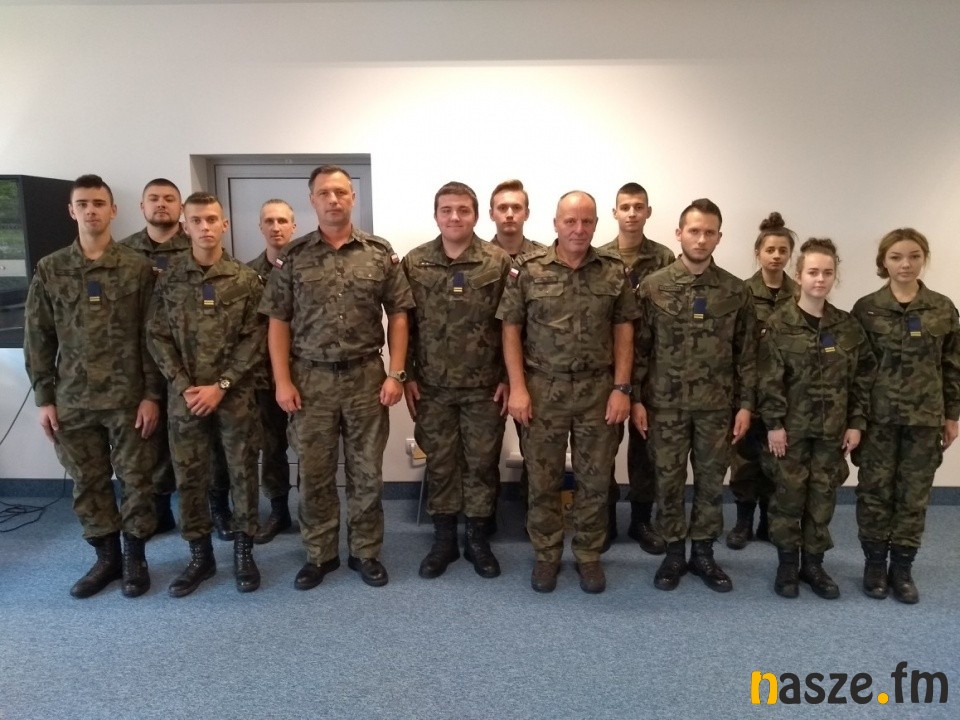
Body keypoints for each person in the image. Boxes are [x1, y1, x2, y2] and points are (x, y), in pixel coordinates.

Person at [259, 165, 413, 590]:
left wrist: (397, 373)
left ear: (352, 198)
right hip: (310, 381)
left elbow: (399, 315)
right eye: (325, 193)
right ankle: (319, 554)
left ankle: (365, 552)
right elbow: (277, 321)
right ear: (312, 200)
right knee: (314, 473)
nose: (333, 199)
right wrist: (282, 381)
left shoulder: (379, 252)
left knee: (367, 473)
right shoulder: (294, 256)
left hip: (366, 378)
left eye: (341, 192)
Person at [24, 174, 160, 598]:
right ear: (71, 211)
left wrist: (152, 395)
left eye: (99, 203)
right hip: (74, 399)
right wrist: (44, 398)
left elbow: (152, 336)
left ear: (113, 210)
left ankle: (135, 558)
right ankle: (106, 558)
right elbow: (38, 337)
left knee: (137, 480)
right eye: (82, 204)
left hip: (129, 397)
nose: (91, 211)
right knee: (88, 481)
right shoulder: (51, 269)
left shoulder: (137, 268)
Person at [498, 190, 637, 594]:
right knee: (543, 478)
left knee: (596, 479)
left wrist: (622, 388)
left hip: (598, 390)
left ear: (596, 224)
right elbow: (511, 329)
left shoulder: (613, 271)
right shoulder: (528, 269)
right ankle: (547, 554)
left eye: (587, 221)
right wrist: (518, 388)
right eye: (570, 221)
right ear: (555, 223)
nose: (579, 229)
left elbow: (624, 330)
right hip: (543, 388)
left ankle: (589, 555)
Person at [632, 198, 756, 593]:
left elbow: (746, 354)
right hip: (664, 406)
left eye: (709, 233)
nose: (701, 239)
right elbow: (639, 349)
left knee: (710, 482)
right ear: (679, 234)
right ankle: (673, 553)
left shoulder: (735, 291)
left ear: (719, 237)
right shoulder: (653, 287)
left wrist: (746, 405)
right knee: (667, 481)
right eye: (694, 231)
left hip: (716, 408)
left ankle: (703, 553)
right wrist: (635, 399)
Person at [147, 191, 266, 596]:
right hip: (186, 400)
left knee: (243, 473)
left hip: (234, 398)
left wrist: (222, 385)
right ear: (185, 226)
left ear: (224, 225)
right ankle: (200, 556)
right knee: (190, 476)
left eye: (212, 219)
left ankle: (244, 553)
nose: (205, 227)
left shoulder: (245, 279)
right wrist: (184, 386)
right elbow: (157, 337)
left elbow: (255, 338)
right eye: (196, 220)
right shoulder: (168, 279)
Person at [403, 181, 511, 579]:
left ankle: (477, 539)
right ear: (436, 215)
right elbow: (403, 323)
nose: (454, 217)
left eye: (463, 210)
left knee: (482, 463)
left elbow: (513, 324)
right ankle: (444, 539)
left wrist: (509, 377)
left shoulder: (498, 262)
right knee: (440, 463)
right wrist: (406, 374)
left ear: (476, 215)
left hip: (485, 387)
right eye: (447, 210)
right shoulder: (415, 262)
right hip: (432, 387)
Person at [759, 238, 875, 599]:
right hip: (790, 432)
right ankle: (787, 565)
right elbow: (768, 379)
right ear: (799, 275)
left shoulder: (847, 327)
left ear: (835, 276)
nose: (820, 279)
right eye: (813, 272)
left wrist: (856, 422)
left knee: (822, 498)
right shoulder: (779, 324)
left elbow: (863, 377)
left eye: (827, 272)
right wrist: (774, 425)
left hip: (831, 432)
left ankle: (813, 564)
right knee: (787, 497)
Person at [852, 228, 960, 603]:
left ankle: (902, 568)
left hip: (924, 420)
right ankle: (874, 565)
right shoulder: (866, 309)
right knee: (874, 493)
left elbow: (952, 365)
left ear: (923, 259)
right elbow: (856, 370)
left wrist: (952, 415)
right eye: (896, 257)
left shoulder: (942, 308)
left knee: (913, 496)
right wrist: (855, 420)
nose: (905, 264)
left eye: (914, 256)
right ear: (884, 261)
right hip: (878, 419)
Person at [598, 182, 674, 555]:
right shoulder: (599, 258)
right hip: (607, 366)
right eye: (625, 206)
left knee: (646, 446)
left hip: (652, 366)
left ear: (648, 212)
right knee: (602, 446)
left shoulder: (664, 258)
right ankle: (606, 518)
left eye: (638, 206)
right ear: (614, 212)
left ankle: (641, 520)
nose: (631, 213)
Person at [120, 178, 192, 535]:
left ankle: (213, 510)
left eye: (169, 199)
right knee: (145, 438)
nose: (161, 204)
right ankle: (159, 510)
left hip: (187, 362)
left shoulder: (197, 246)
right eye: (154, 198)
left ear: (180, 207)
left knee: (196, 441)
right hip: (136, 363)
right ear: (142, 206)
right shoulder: (122, 253)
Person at [726, 212, 798, 550]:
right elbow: (733, 344)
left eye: (783, 250)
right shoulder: (741, 291)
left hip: (785, 391)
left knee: (776, 458)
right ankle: (743, 522)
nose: (776, 256)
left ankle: (768, 522)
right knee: (744, 459)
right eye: (770, 250)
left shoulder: (799, 294)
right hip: (748, 388)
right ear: (758, 253)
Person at [487, 179, 543, 531]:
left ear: (527, 213)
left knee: (536, 452)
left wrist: (517, 379)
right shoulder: (475, 256)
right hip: (484, 374)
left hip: (533, 375)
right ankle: (485, 517)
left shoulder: (545, 259)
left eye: (516, 207)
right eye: (502, 208)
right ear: (491, 213)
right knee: (483, 453)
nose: (509, 214)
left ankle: (532, 516)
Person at [247, 199, 297, 544]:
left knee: (314, 447)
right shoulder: (246, 275)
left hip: (309, 373)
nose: (276, 227)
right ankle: (279, 510)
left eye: (282, 220)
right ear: (260, 227)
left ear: (294, 226)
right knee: (272, 445)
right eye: (269, 221)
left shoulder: (308, 263)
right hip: (264, 376)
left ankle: (315, 511)